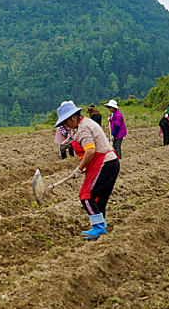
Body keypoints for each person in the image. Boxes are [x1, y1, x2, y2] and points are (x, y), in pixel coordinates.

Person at [55, 101, 120, 240]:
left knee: (86, 196)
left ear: (73, 118)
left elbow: (90, 150)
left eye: (65, 123)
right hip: (111, 162)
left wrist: (79, 169)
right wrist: (85, 167)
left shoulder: (84, 128)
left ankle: (98, 227)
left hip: (104, 163)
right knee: (99, 198)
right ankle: (101, 225)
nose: (65, 127)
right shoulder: (86, 123)